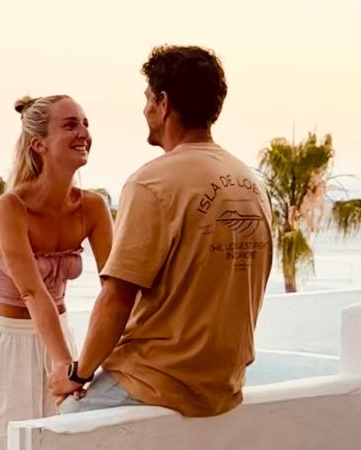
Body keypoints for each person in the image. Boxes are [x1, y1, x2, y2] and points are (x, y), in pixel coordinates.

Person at [51, 45, 273, 418]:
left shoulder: (152, 182)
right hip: (223, 384)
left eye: (148, 99)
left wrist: (78, 373)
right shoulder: (250, 182)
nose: (145, 110)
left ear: (163, 103)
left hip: (157, 379)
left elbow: (116, 299)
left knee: (57, 433)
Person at [0, 94, 113, 450]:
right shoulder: (11, 207)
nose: (83, 132)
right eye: (69, 125)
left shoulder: (94, 207)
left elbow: (116, 287)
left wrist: (89, 360)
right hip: (5, 349)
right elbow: (33, 294)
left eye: (85, 122)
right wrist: (65, 363)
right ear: (38, 144)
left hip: (60, 339)